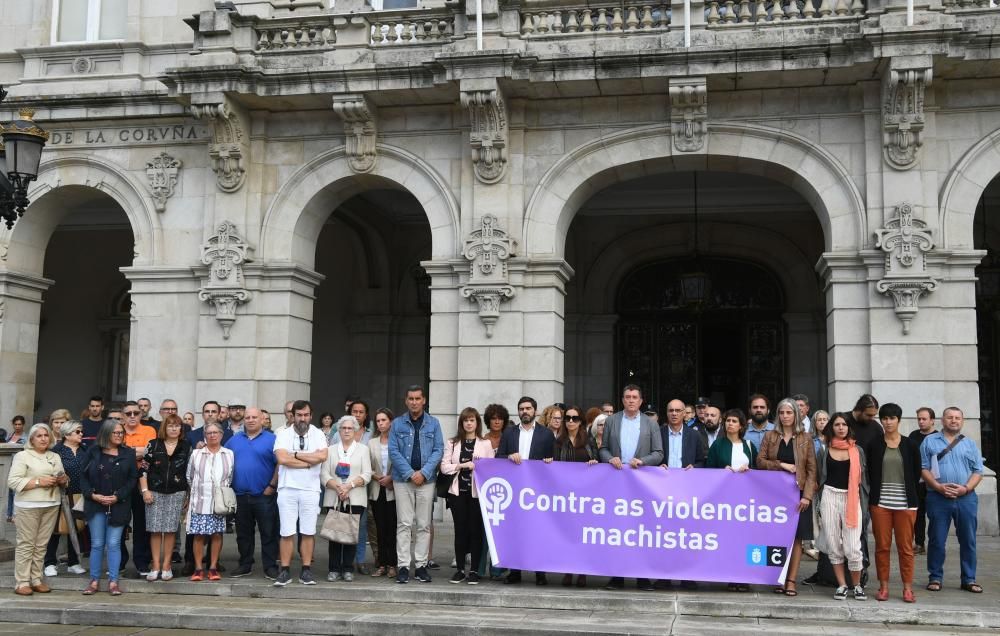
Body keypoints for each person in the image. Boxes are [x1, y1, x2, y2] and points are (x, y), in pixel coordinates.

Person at [600, 385, 664, 591]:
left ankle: (642, 577)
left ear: (641, 401)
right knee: (618, 530)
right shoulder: (611, 421)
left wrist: (643, 461)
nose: (631, 400)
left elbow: (659, 453)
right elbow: (603, 449)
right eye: (627, 397)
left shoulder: (650, 424)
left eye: (635, 397)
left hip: (641, 484)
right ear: (622, 400)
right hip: (617, 482)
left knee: (641, 530)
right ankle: (617, 577)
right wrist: (610, 459)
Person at [920, 406, 984, 594]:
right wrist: (938, 487)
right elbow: (923, 468)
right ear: (942, 420)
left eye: (957, 418)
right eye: (950, 417)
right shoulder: (929, 441)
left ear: (962, 421)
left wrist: (966, 489)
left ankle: (969, 578)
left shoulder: (970, 444)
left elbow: (978, 471)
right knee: (937, 539)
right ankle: (935, 577)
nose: (954, 420)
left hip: (966, 498)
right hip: (938, 498)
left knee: (968, 540)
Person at [757, 397, 816, 597]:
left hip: (798, 495)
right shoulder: (770, 436)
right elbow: (760, 461)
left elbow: (811, 470)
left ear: (796, 414)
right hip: (775, 495)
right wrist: (780, 464)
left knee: (797, 538)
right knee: (777, 537)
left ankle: (791, 580)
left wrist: (807, 496)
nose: (785, 416)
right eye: (782, 413)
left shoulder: (806, 438)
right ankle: (778, 578)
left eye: (789, 412)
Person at [497, 395, 556, 585]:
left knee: (538, 531)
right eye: (522, 408)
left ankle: (540, 572)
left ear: (535, 411)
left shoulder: (546, 434)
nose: (525, 411)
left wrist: (549, 462)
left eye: (528, 408)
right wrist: (508, 456)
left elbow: (553, 462)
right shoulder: (509, 433)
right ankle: (515, 572)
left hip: (537, 491)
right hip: (515, 490)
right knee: (516, 531)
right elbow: (498, 457)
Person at [388, 385, 444, 584]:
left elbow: (439, 450)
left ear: (424, 400)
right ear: (406, 401)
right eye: (410, 398)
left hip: (426, 481)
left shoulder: (434, 423)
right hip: (403, 480)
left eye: (417, 398)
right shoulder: (397, 424)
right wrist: (411, 474)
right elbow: (393, 451)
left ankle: (420, 566)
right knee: (403, 524)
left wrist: (425, 472)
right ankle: (403, 566)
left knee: (423, 525)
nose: (414, 402)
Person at [867, 403, 921, 603]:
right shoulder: (874, 444)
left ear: (898, 420)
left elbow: (916, 474)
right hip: (880, 503)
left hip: (905, 504)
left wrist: (910, 497)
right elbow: (870, 473)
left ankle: (907, 589)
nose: (888, 422)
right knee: (882, 546)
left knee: (906, 547)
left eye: (892, 418)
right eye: (884, 418)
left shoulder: (910, 445)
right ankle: (884, 587)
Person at [7, 423, 68, 595]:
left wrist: (63, 480)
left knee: (41, 545)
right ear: (32, 439)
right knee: (26, 544)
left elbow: (63, 478)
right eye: (39, 436)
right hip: (28, 505)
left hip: (51, 504)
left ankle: (36, 579)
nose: (43, 438)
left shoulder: (55, 456)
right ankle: (21, 582)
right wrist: (38, 482)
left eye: (46, 435)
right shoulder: (22, 456)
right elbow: (12, 482)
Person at [273, 399, 328, 586]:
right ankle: (285, 571)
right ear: (292, 416)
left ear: (311, 416)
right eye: (299, 415)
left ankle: (306, 570)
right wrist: (307, 462)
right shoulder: (283, 434)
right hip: (287, 488)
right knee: (286, 531)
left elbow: (322, 456)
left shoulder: (318, 434)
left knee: (308, 531)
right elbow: (281, 458)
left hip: (310, 489)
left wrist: (294, 455)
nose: (302, 418)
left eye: (306, 415)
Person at [815, 412, 868, 601]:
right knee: (833, 543)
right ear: (832, 427)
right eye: (837, 424)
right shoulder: (823, 450)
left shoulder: (857, 450)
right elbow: (819, 477)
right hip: (829, 496)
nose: (841, 428)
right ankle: (842, 585)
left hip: (852, 499)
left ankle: (857, 585)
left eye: (844, 424)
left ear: (848, 428)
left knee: (853, 547)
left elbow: (864, 480)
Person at [80, 419, 137, 596]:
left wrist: (118, 496)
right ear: (106, 434)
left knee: (113, 544)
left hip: (119, 504)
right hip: (95, 504)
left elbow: (132, 479)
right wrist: (92, 495)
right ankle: (94, 580)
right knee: (97, 544)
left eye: (122, 432)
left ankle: (113, 581)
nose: (120, 435)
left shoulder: (128, 453)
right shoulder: (93, 452)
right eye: (116, 433)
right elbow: (83, 478)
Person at [706, 408, 758, 592]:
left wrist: (749, 471)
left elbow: (759, 473)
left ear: (742, 425)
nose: (730, 424)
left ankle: (743, 576)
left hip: (745, 501)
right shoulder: (718, 445)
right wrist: (722, 472)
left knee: (744, 539)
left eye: (734, 421)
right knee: (727, 538)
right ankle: (729, 575)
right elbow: (707, 470)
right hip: (724, 501)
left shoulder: (749, 446)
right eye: (728, 420)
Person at [440, 407, 493, 585]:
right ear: (461, 423)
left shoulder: (485, 444)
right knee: (460, 531)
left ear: (477, 423)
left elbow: (490, 468)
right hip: (457, 493)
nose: (469, 423)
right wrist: (462, 466)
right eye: (466, 420)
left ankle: (475, 570)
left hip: (477, 494)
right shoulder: (452, 442)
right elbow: (444, 467)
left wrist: (477, 466)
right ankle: (460, 569)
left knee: (475, 531)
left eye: (472, 420)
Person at [225, 407, 279, 580]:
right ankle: (245, 564)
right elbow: (223, 457)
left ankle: (270, 566)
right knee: (243, 533)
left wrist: (272, 486)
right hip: (240, 495)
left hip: (264, 494)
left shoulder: (273, 439)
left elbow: (280, 464)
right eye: (247, 417)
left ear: (262, 419)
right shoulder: (234, 440)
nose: (250, 420)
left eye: (254, 417)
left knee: (268, 532)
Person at [138, 413, 192, 582]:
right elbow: (143, 469)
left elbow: (191, 473)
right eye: (170, 425)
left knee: (170, 530)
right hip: (154, 492)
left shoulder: (186, 446)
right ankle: (155, 566)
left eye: (177, 426)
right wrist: (145, 490)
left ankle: (167, 566)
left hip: (177, 493)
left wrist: (188, 497)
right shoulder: (153, 445)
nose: (174, 428)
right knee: (154, 530)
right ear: (164, 428)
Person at [322, 415, 372, 582]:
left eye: (350, 428)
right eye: (343, 428)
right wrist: (338, 487)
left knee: (351, 535)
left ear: (355, 430)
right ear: (339, 430)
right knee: (334, 535)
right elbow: (324, 474)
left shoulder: (363, 450)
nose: (346, 431)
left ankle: (348, 569)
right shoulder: (330, 450)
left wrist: (348, 486)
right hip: (334, 496)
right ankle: (334, 569)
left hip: (355, 497)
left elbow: (366, 475)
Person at [553, 404, 598, 587]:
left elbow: (598, 461)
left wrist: (595, 462)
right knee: (567, 534)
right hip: (565, 495)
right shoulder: (558, 441)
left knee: (583, 535)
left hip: (585, 495)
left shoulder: (588, 440)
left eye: (575, 418)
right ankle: (568, 570)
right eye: (568, 418)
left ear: (581, 421)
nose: (571, 421)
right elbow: (554, 465)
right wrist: (549, 461)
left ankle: (582, 571)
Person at [186, 422, 234, 581]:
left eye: (216, 432)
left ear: (221, 435)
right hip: (200, 501)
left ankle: (213, 567)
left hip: (219, 502)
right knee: (199, 535)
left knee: (216, 535)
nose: (212, 435)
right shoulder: (196, 454)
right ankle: (198, 568)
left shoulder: (229, 454)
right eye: (209, 433)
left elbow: (230, 477)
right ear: (205, 435)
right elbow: (189, 477)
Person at [44, 420, 88, 577]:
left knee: (75, 529)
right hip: (60, 495)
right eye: (78, 432)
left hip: (80, 495)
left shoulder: (85, 450)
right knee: (55, 529)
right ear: (67, 434)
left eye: (81, 431)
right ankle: (49, 563)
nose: (81, 434)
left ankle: (74, 562)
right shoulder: (57, 451)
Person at [120, 401, 157, 577]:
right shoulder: (117, 430)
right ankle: (119, 562)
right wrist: (135, 452)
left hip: (143, 483)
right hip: (120, 483)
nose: (133, 416)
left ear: (141, 414)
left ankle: (142, 562)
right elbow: (114, 452)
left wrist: (126, 452)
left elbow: (149, 453)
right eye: (129, 413)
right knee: (119, 522)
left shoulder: (149, 431)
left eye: (136, 413)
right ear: (122, 416)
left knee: (143, 525)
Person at [368, 408, 396, 578]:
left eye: (384, 420)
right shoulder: (371, 443)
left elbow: (401, 463)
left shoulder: (397, 441)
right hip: (377, 488)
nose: (380, 423)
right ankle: (381, 564)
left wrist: (391, 478)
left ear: (390, 421)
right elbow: (367, 466)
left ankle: (393, 564)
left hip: (394, 489)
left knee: (392, 528)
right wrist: (379, 477)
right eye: (378, 421)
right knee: (379, 528)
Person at [347, 399, 373, 573]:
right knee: (344, 522)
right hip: (342, 485)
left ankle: (360, 559)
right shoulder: (340, 431)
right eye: (354, 411)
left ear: (365, 415)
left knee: (361, 523)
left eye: (361, 412)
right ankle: (345, 561)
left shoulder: (371, 434)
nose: (357, 415)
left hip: (364, 482)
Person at [909, 407, 936, 555]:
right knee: (918, 514)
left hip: (934, 481)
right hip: (917, 481)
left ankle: (935, 543)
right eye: (919, 418)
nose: (921, 421)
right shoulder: (913, 435)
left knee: (934, 513)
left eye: (924, 419)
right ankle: (919, 543)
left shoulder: (938, 437)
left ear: (932, 420)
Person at [5, 415, 27, 522]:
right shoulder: (8, 436)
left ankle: (15, 514)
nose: (17, 426)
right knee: (7, 491)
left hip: (17, 466)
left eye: (20, 424)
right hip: (7, 465)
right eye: (16, 424)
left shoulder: (26, 438)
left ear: (23, 425)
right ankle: (8, 514)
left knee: (15, 491)